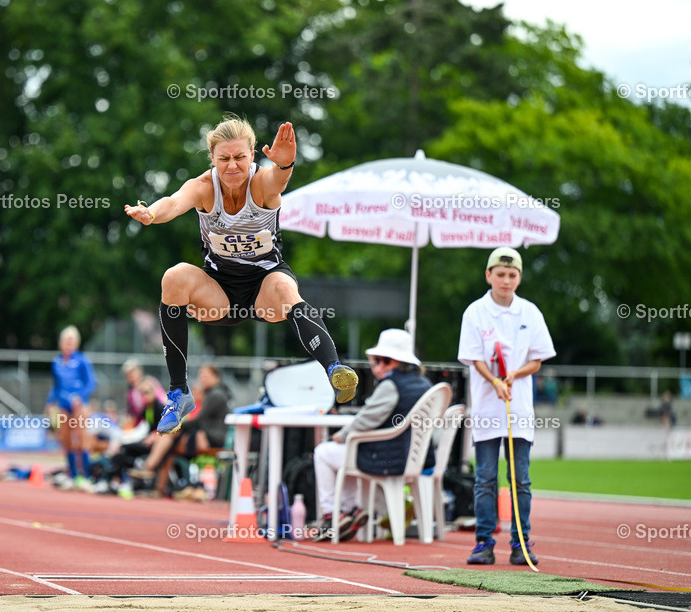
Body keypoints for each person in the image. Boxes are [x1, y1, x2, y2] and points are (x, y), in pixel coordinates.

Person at [123, 115, 358, 435]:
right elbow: (173, 203)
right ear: (212, 159)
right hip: (218, 294)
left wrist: (285, 164)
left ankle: (334, 369)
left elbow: (278, 180)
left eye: (239, 157)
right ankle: (179, 392)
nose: (232, 166)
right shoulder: (203, 187)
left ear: (252, 156)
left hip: (264, 287)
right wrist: (150, 213)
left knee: (285, 288)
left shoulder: (261, 183)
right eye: (224, 159)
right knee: (174, 277)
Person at [458, 247, 555, 567]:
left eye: (512, 275)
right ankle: (484, 542)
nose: (506, 280)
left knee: (520, 479)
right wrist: (495, 381)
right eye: (500, 274)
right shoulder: (475, 312)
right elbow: (473, 358)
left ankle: (520, 542)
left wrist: (514, 375)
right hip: (488, 406)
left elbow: (537, 360)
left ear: (519, 278)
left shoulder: (530, 312)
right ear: (488, 275)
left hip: (519, 407)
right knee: (485, 478)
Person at [311, 329, 433, 542]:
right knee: (349, 452)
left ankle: (333, 514)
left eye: (386, 361)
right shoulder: (425, 384)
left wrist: (342, 435)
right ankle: (352, 511)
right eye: (377, 360)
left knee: (324, 452)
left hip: (388, 458)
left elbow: (367, 419)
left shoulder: (391, 385)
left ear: (401, 361)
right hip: (415, 458)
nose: (379, 366)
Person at [134, 363, 232, 498]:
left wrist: (176, 426)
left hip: (211, 438)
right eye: (201, 376)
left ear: (216, 377)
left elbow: (198, 419)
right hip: (205, 434)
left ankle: (150, 468)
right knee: (169, 444)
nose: (202, 379)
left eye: (206, 376)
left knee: (169, 441)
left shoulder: (216, 395)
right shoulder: (213, 393)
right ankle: (157, 484)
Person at [46, 325, 97, 489]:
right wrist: (49, 402)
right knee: (66, 441)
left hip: (79, 406)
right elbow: (56, 386)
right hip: (63, 406)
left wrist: (79, 396)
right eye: (66, 341)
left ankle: (86, 477)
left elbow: (91, 383)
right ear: (61, 343)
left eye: (71, 341)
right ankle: (73, 476)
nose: (68, 344)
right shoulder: (56, 362)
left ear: (76, 343)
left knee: (82, 440)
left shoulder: (82, 360)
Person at [122, 359, 165, 426]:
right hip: (142, 422)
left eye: (133, 372)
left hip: (157, 416)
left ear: (139, 372)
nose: (131, 376)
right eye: (128, 374)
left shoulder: (149, 383)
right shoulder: (131, 392)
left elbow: (162, 399)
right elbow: (131, 412)